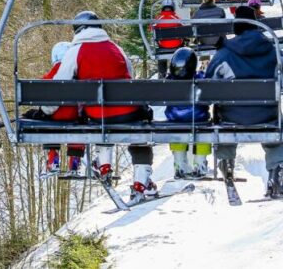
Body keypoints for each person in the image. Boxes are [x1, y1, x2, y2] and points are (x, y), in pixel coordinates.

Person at [48, 11, 157, 203]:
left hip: (97, 115)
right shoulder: (116, 48)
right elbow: (129, 75)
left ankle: (104, 164)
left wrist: (47, 110)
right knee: (140, 135)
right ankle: (141, 183)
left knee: (101, 122)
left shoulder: (76, 51)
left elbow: (60, 86)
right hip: (128, 112)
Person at [205, 5, 283, 198]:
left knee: (222, 125)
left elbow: (207, 87)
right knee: (274, 133)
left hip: (231, 118)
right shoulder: (273, 49)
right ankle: (276, 173)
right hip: (267, 115)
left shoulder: (224, 53)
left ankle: (226, 166)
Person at [165, 47, 211, 179]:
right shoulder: (200, 79)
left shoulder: (168, 82)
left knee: (177, 131)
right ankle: (200, 164)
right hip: (199, 119)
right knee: (205, 132)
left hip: (175, 121)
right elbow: (208, 101)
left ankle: (179, 165)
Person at [41, 41, 84, 174]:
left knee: (46, 120)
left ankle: (53, 157)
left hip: (53, 117)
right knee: (80, 124)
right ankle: (75, 160)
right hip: (74, 117)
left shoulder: (48, 77)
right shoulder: (78, 75)